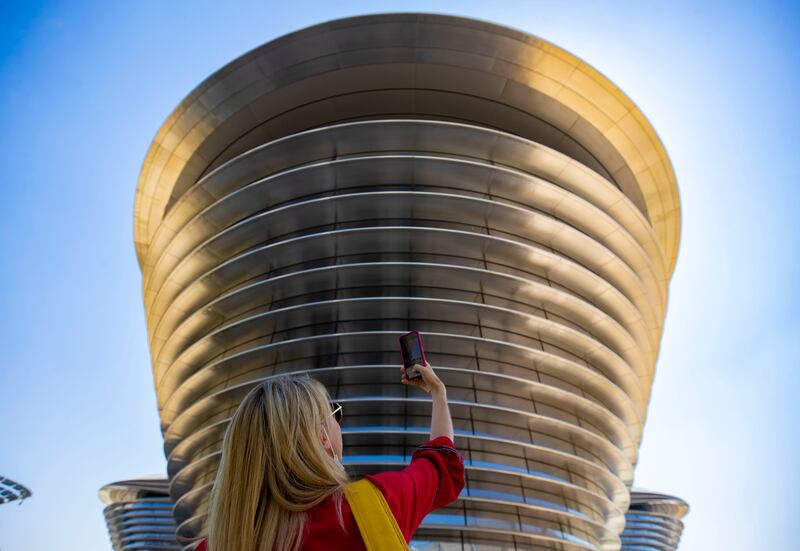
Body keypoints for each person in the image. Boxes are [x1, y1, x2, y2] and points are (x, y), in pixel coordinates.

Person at [196, 360, 464, 551]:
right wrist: (438, 393)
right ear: (322, 436)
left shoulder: (215, 544)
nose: (340, 423)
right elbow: (442, 464)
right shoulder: (372, 508)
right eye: (335, 414)